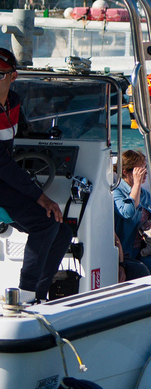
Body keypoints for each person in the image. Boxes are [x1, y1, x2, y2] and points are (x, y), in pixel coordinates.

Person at [0, 48, 72, 303]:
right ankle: (26, 293)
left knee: (61, 231)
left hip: (6, 180)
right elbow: (3, 164)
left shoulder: (14, 101)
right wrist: (40, 196)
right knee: (44, 223)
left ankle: (39, 295)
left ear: (13, 76)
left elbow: (22, 135)